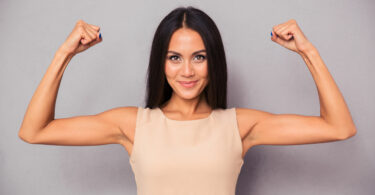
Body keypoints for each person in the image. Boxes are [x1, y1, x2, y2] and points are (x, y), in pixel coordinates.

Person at [18, 6, 357, 195]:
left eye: (199, 56)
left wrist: (307, 52)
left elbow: (339, 127)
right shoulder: (133, 125)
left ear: (214, 61)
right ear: (160, 62)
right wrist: (65, 53)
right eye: (174, 58)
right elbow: (35, 131)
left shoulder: (239, 125)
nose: (187, 71)